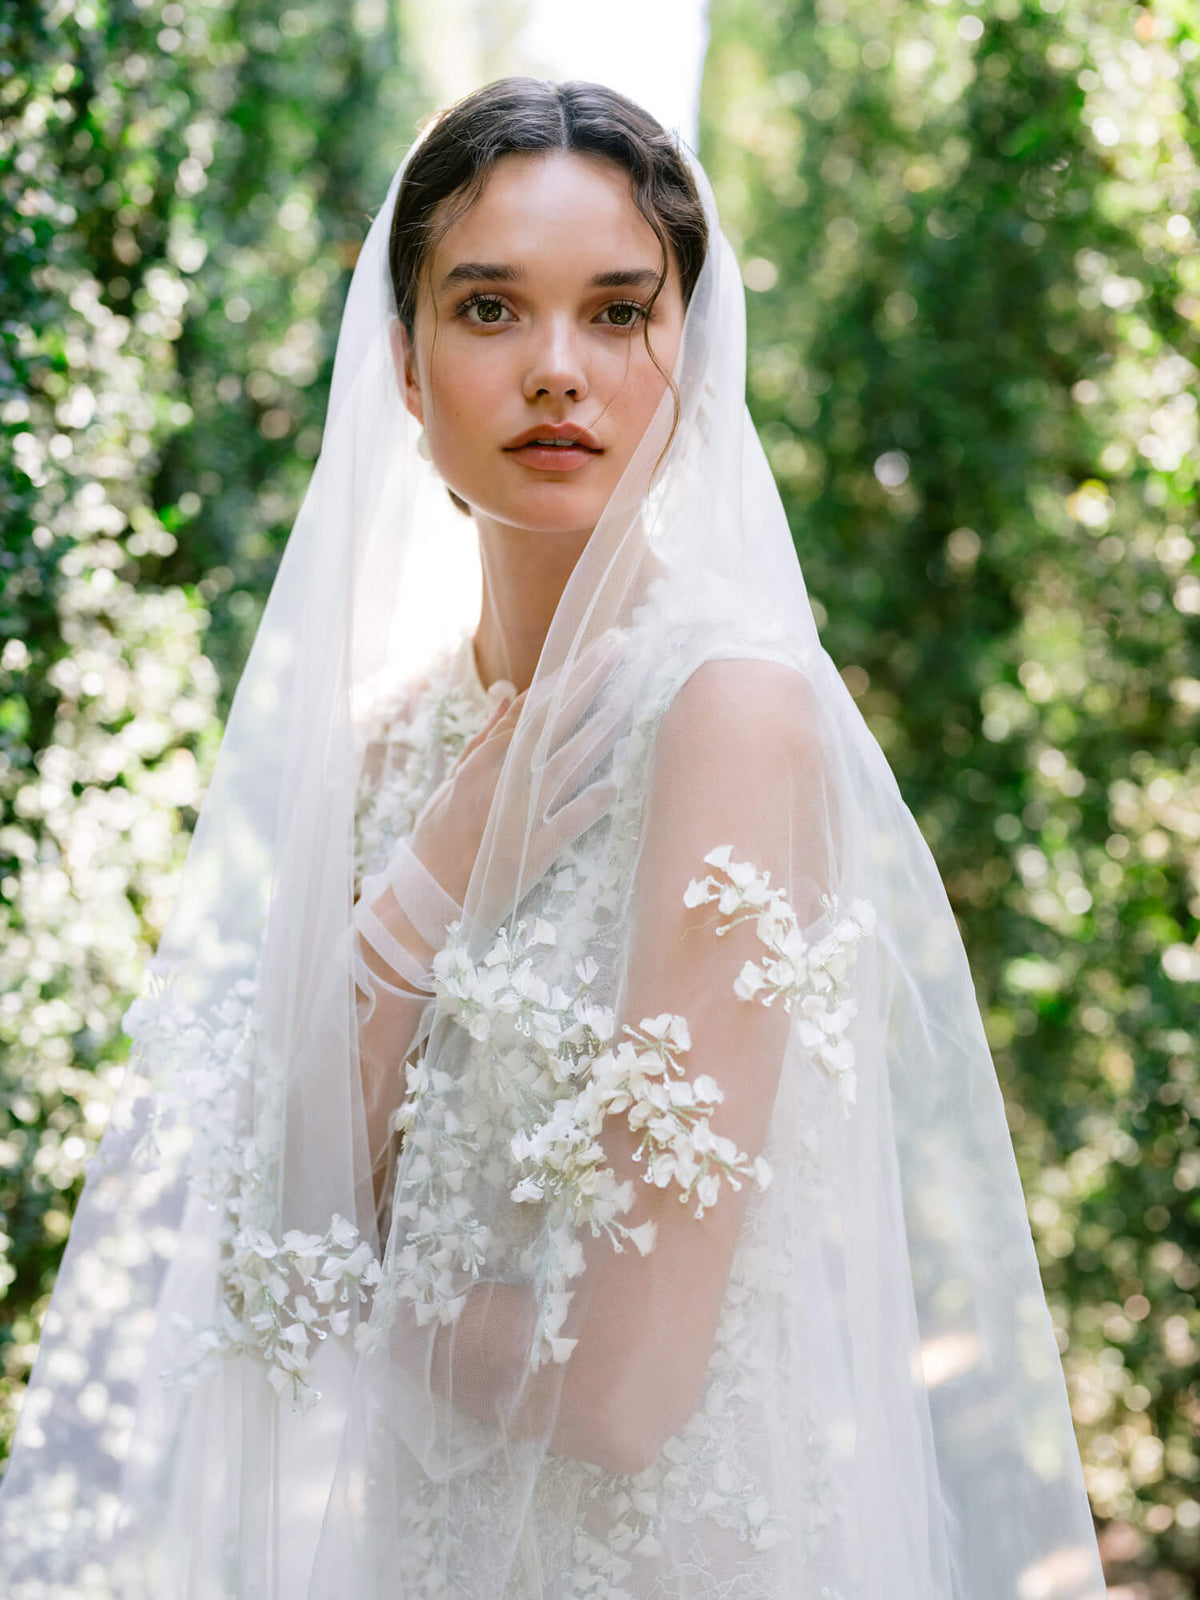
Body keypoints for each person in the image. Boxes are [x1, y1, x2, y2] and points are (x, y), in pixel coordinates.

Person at [0, 78, 1107, 1600]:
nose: (556, 374)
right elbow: (240, 1233)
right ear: (401, 362)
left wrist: (324, 1268)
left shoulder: (728, 716)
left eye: (617, 312)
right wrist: (435, 878)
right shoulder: (390, 745)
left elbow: (618, 1390)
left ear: (690, 354)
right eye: (489, 309)